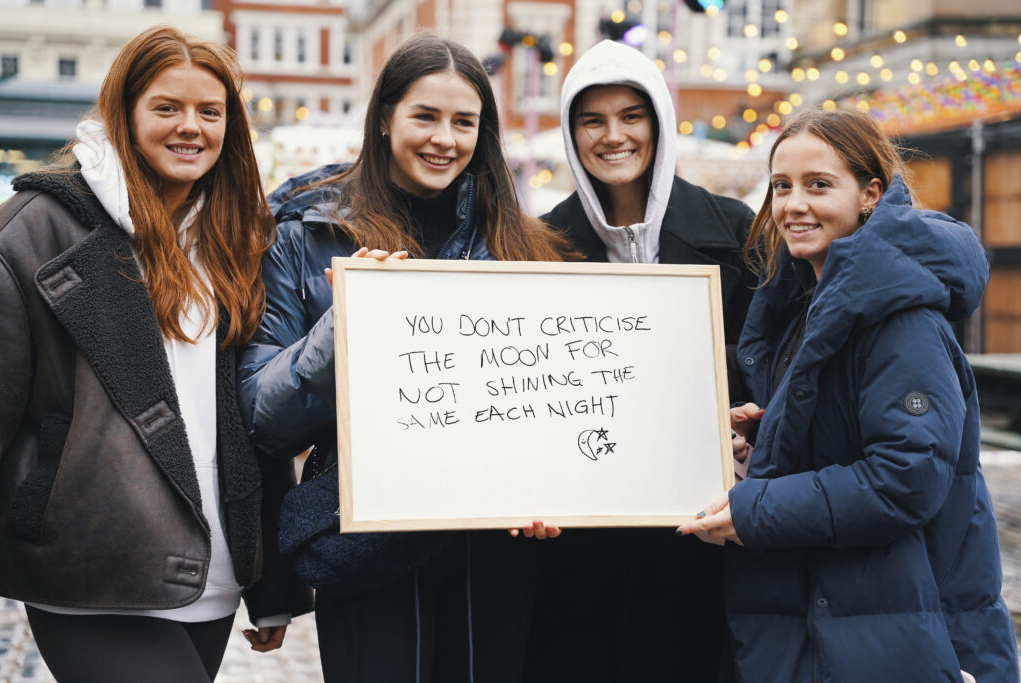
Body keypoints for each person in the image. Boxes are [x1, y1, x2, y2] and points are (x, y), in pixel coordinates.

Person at [237, 33, 574, 683]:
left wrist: (551, 486)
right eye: (426, 115)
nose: (443, 138)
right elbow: (261, 416)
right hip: (367, 537)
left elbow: (549, 401)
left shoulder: (522, 244)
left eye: (463, 122)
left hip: (493, 547)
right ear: (385, 116)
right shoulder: (304, 230)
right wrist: (342, 327)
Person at [0, 24, 312, 683]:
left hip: (212, 573)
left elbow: (247, 423)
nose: (189, 127)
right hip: (90, 568)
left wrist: (272, 583)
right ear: (124, 111)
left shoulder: (233, 239)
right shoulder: (36, 227)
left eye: (209, 111)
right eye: (167, 107)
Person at [679, 107, 1020, 682]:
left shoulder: (900, 318)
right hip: (831, 626)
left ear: (870, 194)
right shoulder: (808, 305)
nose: (794, 205)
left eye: (819, 185)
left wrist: (755, 509)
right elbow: (851, 433)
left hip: (888, 638)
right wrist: (761, 440)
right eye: (781, 186)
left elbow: (906, 474)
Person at [525, 39, 757, 682]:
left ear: (658, 122)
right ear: (572, 133)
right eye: (592, 120)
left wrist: (677, 372)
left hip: (701, 526)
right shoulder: (541, 243)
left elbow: (769, 361)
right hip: (580, 536)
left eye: (632, 115)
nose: (613, 136)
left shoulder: (735, 229)